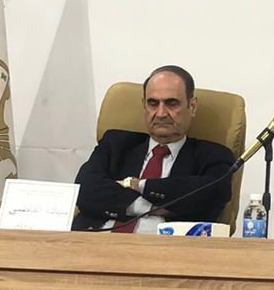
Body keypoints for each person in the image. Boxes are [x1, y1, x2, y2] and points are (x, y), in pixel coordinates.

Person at [73, 65, 236, 232]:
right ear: (144, 105)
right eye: (153, 103)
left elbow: (211, 194)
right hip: (94, 239)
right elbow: (84, 188)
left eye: (172, 103)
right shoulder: (116, 143)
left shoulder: (214, 155)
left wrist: (138, 185)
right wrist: (147, 207)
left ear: (192, 107)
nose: (161, 113)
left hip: (164, 246)